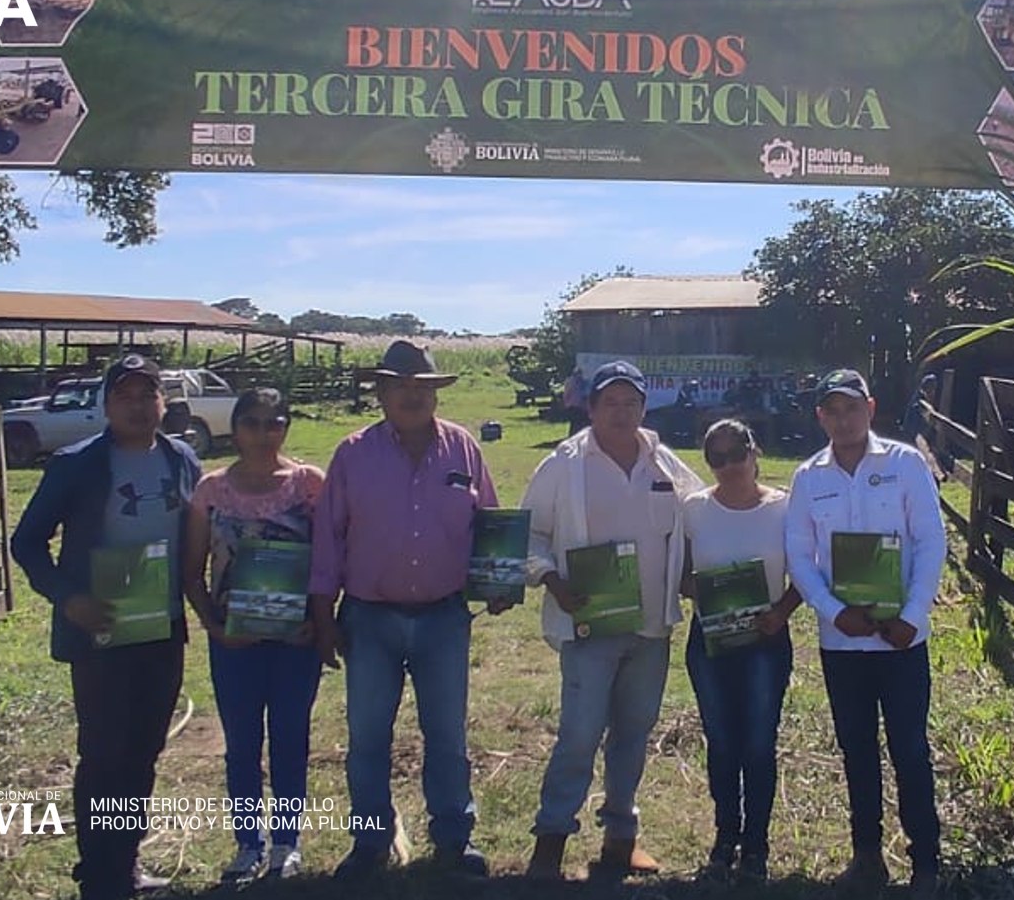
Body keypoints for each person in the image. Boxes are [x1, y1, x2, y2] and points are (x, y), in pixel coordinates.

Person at [9, 354, 201, 900]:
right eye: (125, 396)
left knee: (144, 749)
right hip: (99, 632)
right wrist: (69, 598)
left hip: (161, 627)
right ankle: (98, 874)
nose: (138, 407)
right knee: (104, 753)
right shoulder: (76, 465)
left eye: (148, 395)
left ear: (163, 402)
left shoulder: (182, 459)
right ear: (106, 404)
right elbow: (27, 543)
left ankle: (126, 862)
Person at [310, 341, 504, 880]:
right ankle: (371, 841)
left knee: (447, 735)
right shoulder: (352, 454)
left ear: (436, 393)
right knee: (368, 737)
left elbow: (490, 524)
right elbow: (328, 540)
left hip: (444, 616)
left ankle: (454, 837)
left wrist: (499, 581)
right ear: (381, 393)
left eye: (422, 387)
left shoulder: (463, 448)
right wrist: (323, 617)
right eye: (400, 386)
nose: (412, 396)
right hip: (369, 618)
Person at [521, 360, 705, 881]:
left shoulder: (664, 462)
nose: (621, 413)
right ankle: (550, 842)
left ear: (644, 408)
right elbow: (529, 533)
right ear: (591, 407)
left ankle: (620, 840)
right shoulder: (564, 465)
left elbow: (698, 517)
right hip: (590, 626)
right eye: (610, 403)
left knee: (633, 734)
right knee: (580, 735)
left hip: (651, 627)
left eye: (631, 403)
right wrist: (552, 580)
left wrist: (695, 573)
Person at [783, 369, 949, 898]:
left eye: (851, 408)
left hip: (902, 641)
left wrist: (913, 615)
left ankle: (926, 862)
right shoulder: (808, 478)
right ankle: (867, 857)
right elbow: (799, 557)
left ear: (870, 409)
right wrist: (834, 613)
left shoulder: (905, 465)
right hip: (843, 643)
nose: (843, 419)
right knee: (856, 749)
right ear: (820, 417)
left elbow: (931, 540)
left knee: (910, 749)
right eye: (832, 411)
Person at [181, 389, 325, 883]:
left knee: (290, 737)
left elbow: (332, 560)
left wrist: (319, 621)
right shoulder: (211, 490)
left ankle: (287, 842)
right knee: (242, 744)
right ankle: (248, 843)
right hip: (233, 642)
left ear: (286, 427)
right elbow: (191, 572)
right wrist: (214, 626)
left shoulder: (310, 485)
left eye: (274, 423)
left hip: (295, 642)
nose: (263, 434)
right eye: (252, 423)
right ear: (236, 427)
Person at [679, 419, 801, 883]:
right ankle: (725, 835)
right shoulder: (694, 509)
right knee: (722, 740)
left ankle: (756, 845)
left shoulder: (784, 508)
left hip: (765, 642)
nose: (729, 466)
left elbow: (805, 572)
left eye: (737, 454)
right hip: (710, 642)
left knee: (758, 742)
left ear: (755, 452)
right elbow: (680, 574)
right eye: (718, 458)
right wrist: (707, 592)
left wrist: (781, 612)